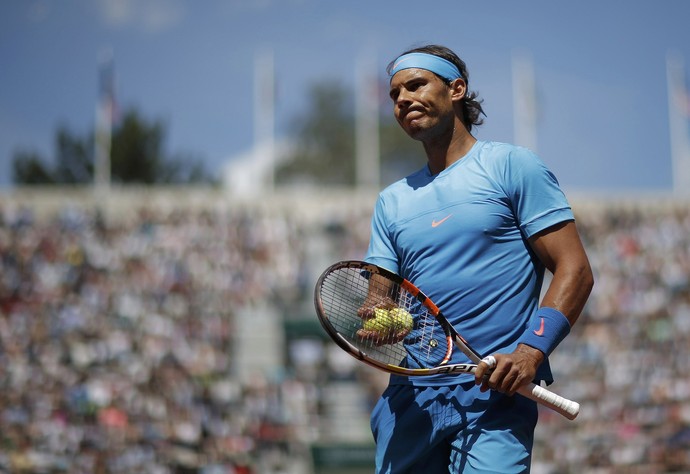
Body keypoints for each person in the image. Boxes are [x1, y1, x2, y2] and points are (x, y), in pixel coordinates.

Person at [361, 44, 594, 473]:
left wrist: (530, 353)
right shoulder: (390, 201)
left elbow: (575, 269)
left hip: (496, 397)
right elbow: (381, 294)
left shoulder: (512, 166)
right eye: (394, 94)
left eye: (416, 85)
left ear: (456, 90)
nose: (403, 99)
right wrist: (377, 312)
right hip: (409, 400)